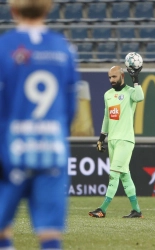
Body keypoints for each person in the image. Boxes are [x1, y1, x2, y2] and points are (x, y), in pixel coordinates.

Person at [0, 0, 79, 249]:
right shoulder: (63, 48)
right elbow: (71, 108)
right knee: (50, 235)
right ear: (49, 8)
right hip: (51, 153)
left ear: (12, 10)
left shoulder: (4, 47)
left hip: (11, 152)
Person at [88, 65, 144, 219]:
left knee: (114, 174)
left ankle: (102, 209)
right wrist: (101, 138)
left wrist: (136, 79)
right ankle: (137, 211)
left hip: (125, 140)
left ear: (122, 76)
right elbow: (107, 117)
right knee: (125, 176)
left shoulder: (131, 92)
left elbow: (140, 97)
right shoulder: (108, 95)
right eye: (109, 77)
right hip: (112, 140)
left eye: (114, 77)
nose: (111, 80)